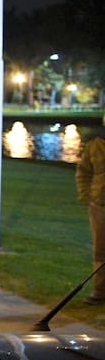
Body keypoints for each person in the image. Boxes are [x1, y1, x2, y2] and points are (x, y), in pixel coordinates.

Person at [76, 115, 105, 305]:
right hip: (99, 206)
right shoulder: (94, 146)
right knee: (101, 251)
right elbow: (83, 173)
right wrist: (87, 197)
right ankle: (100, 291)